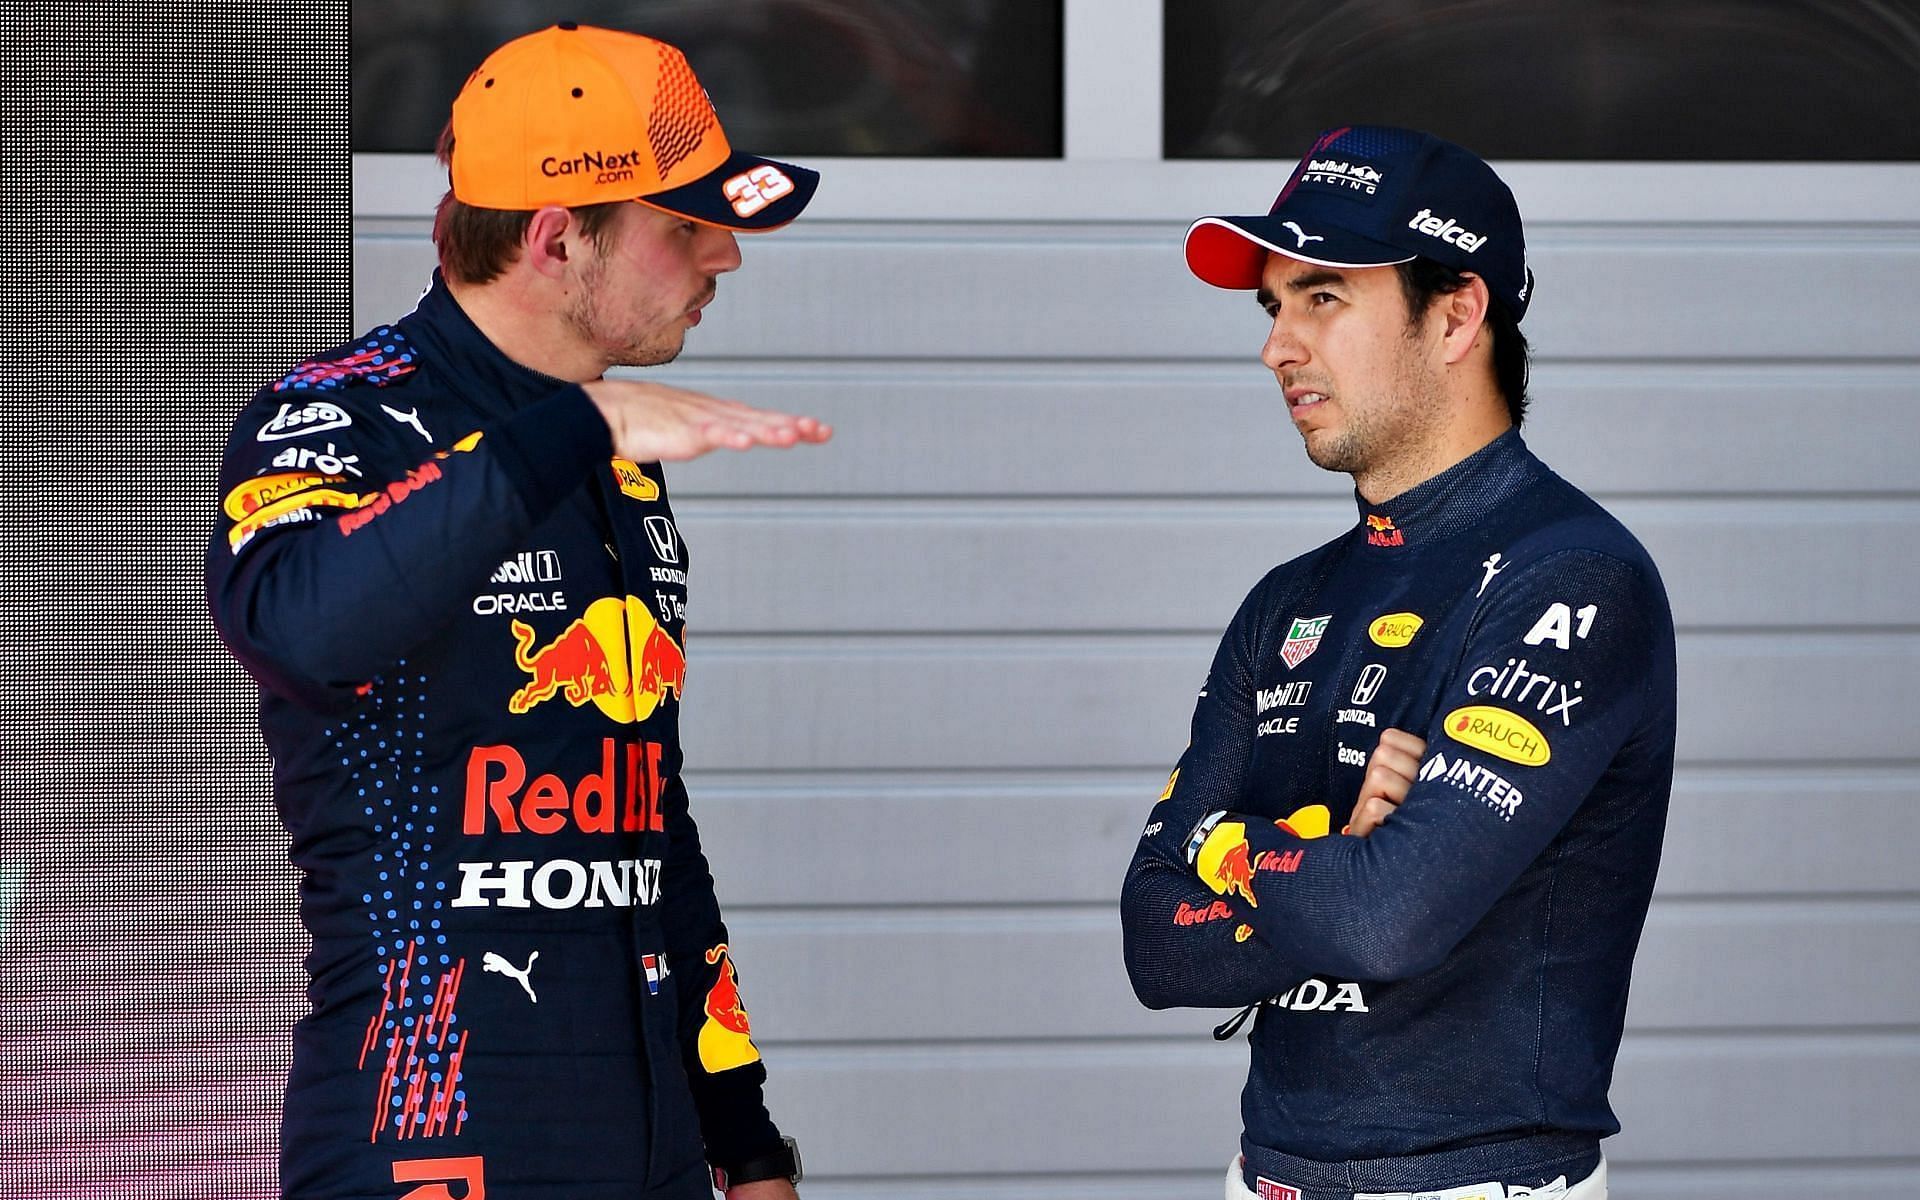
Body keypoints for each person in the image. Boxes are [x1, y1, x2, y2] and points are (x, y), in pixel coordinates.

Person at [207, 24, 826, 1200]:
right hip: (428, 1120)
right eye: (685, 226)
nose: (724, 260)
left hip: (647, 1135)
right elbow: (294, 629)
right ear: (557, 239)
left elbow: (647, 809)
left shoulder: (609, 456)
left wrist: (739, 1131)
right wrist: (560, 433)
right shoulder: (341, 415)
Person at [1119, 126, 1676, 1200]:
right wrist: (1334, 843)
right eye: (1273, 307)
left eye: (1322, 298)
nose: (1279, 346)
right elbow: (1154, 942)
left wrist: (1230, 851)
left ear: (1457, 313)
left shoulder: (1574, 580)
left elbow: (1391, 916)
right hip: (1263, 1175)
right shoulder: (1285, 600)